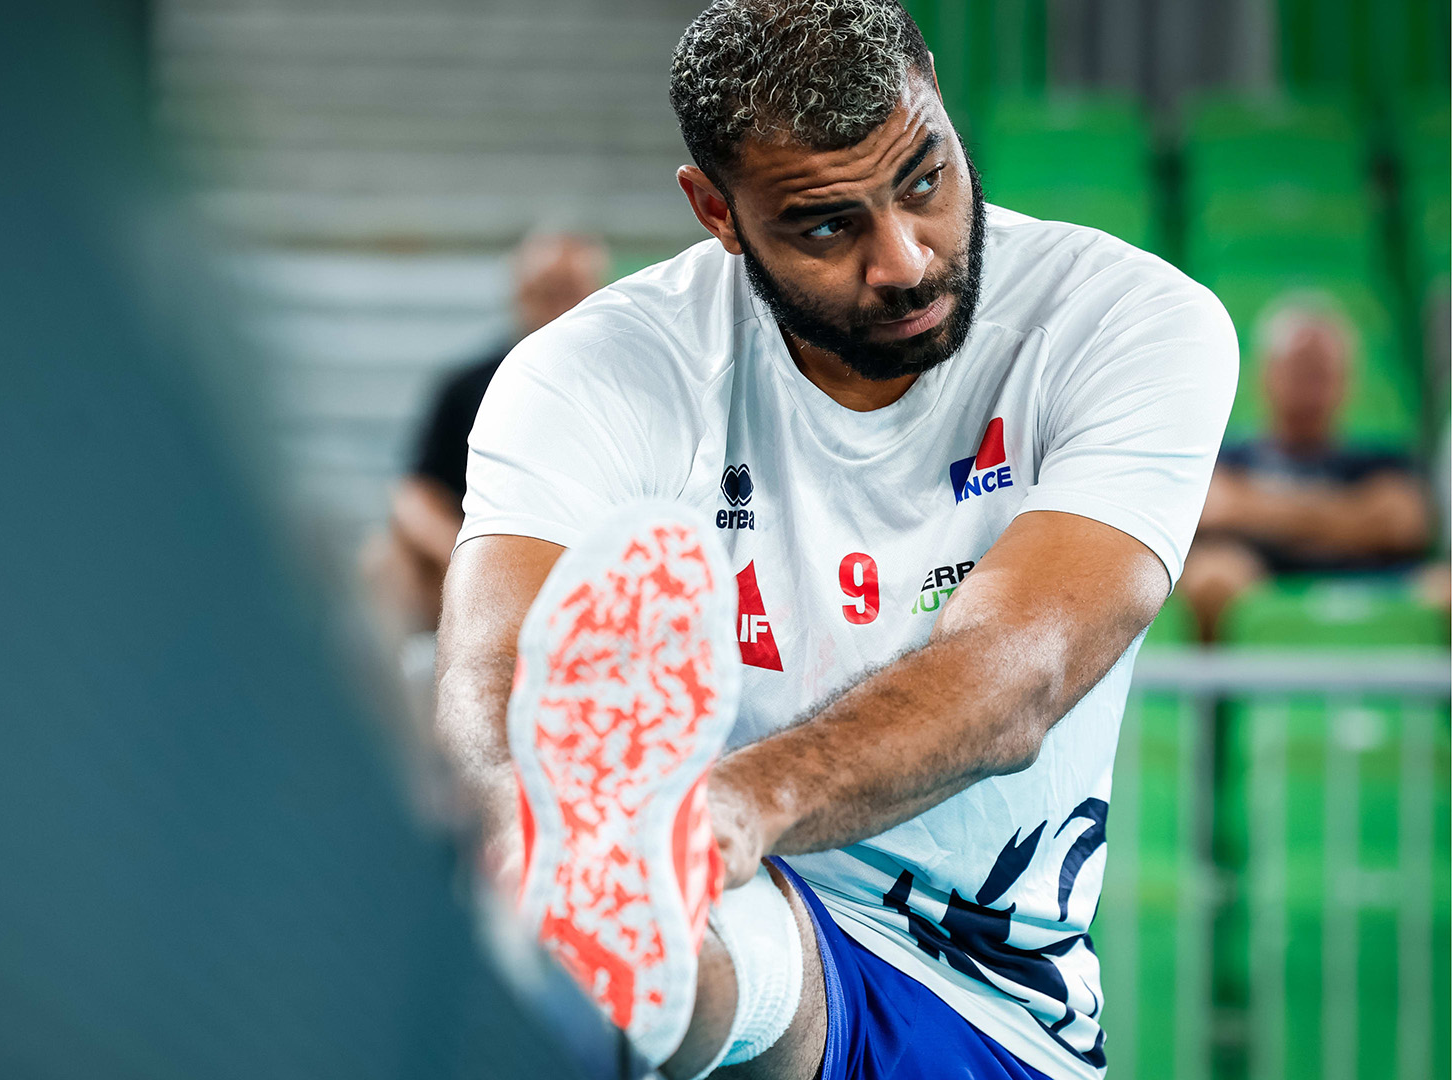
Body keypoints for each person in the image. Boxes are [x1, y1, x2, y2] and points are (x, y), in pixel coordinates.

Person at [433, 3, 1237, 1079]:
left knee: (711, 899)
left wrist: (731, 805)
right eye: (826, 226)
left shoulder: (1128, 322)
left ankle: (650, 920)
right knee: (712, 921)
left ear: (940, 98)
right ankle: (637, 933)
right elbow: (494, 699)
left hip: (985, 1001)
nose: (903, 260)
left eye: (924, 179)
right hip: (723, 915)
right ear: (715, 210)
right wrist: (541, 842)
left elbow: (1020, 673)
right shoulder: (588, 374)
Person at [365, 231, 609, 635]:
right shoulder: (467, 385)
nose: (558, 306)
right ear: (519, 295)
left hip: (586, 556)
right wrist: (466, 556)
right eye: (545, 292)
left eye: (569, 291)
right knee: (382, 559)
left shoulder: (623, 385)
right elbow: (415, 494)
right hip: (481, 550)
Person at [1178, 297, 1433, 640]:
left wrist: (1258, 508)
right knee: (1210, 577)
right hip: (1261, 577)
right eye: (1301, 371)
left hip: (1371, 578)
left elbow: (1403, 523)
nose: (1312, 388)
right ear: (1268, 373)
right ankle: (1218, 694)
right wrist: (1350, 516)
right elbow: (1213, 510)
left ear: (1346, 381)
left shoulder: (1381, 457)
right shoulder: (1229, 455)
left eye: (1322, 374)